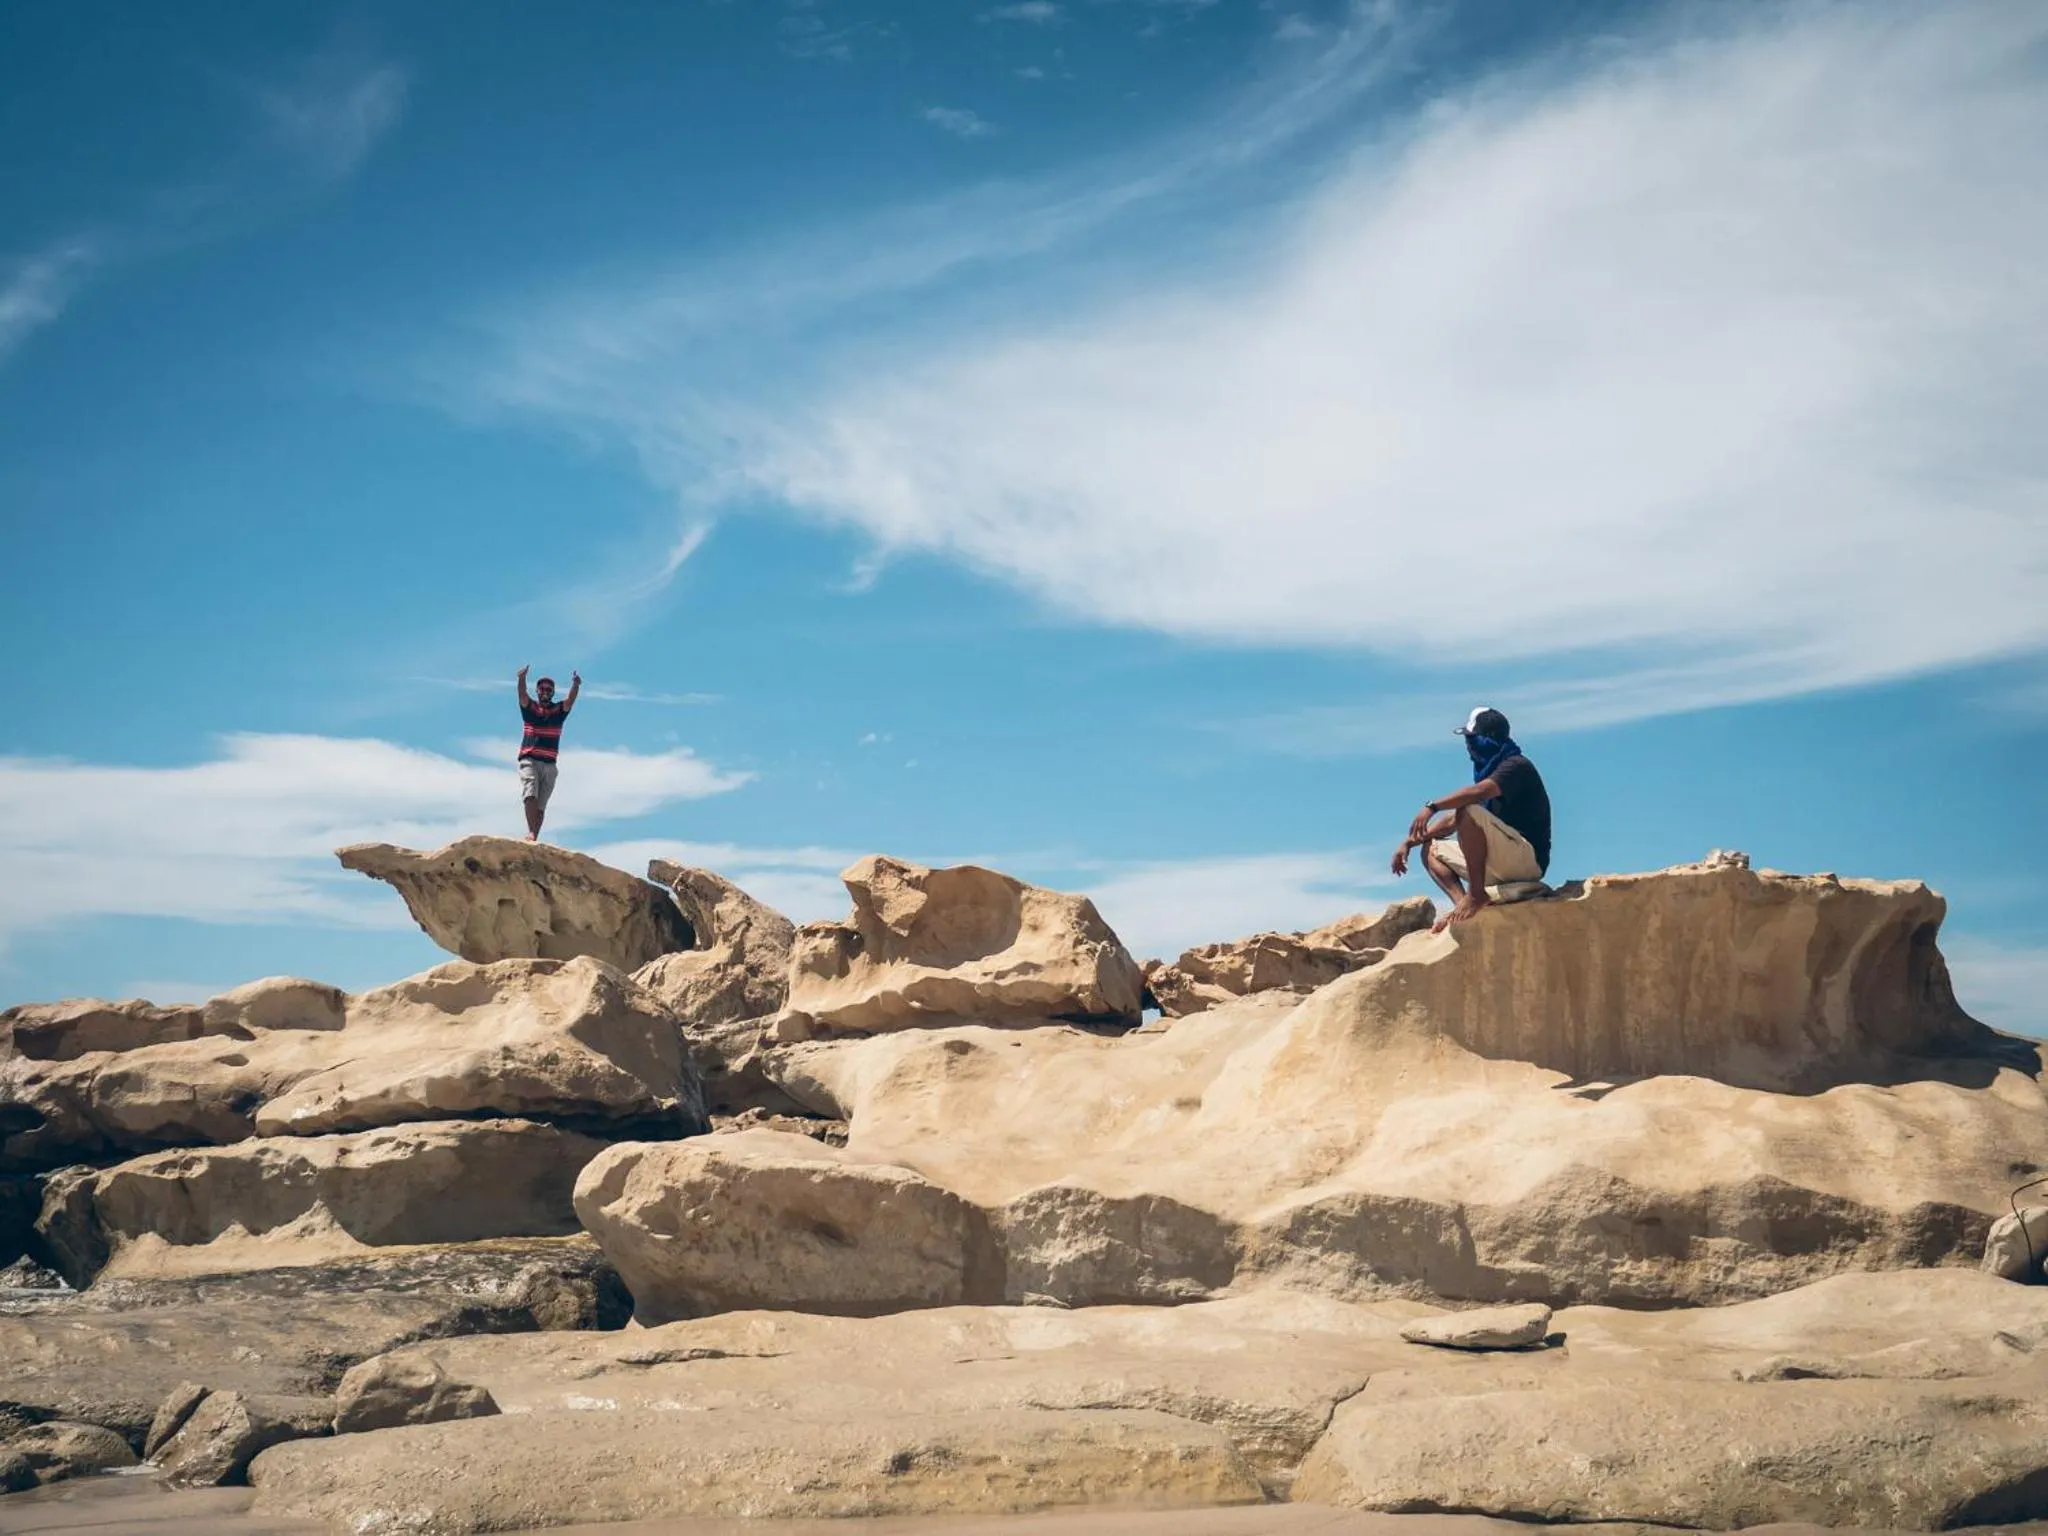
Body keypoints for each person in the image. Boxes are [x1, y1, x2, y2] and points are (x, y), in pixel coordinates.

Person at [1390, 706, 1552, 933]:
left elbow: (1476, 797)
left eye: (1471, 739)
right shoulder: (1489, 772)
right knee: (1432, 847)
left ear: (1486, 740)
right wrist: (1410, 842)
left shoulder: (1516, 766)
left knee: (1466, 809)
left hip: (1526, 860)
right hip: (1501, 861)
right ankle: (1464, 907)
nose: (1468, 746)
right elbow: (1453, 821)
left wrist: (1432, 807)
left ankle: (1476, 894)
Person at [516, 665, 580, 841]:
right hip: (530, 758)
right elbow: (522, 696)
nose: (545, 692)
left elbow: (569, 701)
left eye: (548, 689)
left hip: (550, 763)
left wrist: (575, 686)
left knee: (541, 804)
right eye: (542, 688)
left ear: (552, 692)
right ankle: (530, 831)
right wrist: (521, 678)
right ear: (537, 691)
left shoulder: (558, 712)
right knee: (530, 792)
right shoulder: (530, 709)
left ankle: (534, 836)